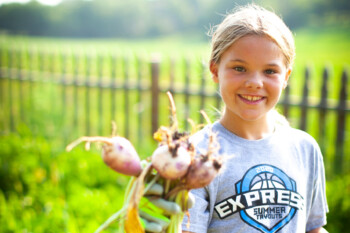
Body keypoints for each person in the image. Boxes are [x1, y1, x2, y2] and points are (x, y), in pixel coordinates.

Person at [180, 4, 329, 233]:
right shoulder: (196, 157)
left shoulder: (305, 148)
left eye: (270, 71)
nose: (255, 82)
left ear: (286, 76)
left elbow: (313, 229)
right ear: (214, 69)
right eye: (239, 68)